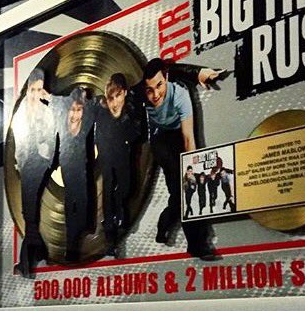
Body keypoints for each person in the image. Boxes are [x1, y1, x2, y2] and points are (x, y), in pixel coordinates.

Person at [144, 58, 219, 260]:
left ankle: (188, 238)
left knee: (188, 187)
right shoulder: (139, 93)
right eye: (149, 90)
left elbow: (188, 137)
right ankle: (186, 236)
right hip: (159, 140)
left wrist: (191, 168)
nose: (155, 94)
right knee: (179, 190)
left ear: (166, 78)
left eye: (159, 86)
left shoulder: (180, 95)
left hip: (179, 135)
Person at [94, 73, 143, 256]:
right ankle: (110, 235)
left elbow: (136, 133)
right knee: (108, 189)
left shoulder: (131, 109)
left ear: (125, 93)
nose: (114, 101)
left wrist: (124, 119)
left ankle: (118, 211)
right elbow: (99, 133)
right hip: (107, 156)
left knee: (126, 187)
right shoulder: (102, 109)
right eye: (111, 97)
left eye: (118, 96)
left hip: (123, 155)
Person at [14, 68, 57, 277]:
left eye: (40, 90)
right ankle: (40, 253)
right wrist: (20, 163)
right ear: (28, 89)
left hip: (39, 162)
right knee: (29, 213)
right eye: (33, 90)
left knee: (29, 212)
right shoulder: (21, 112)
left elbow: (52, 136)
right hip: (25, 163)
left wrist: (46, 158)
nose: (35, 94)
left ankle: (26, 263)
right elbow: (18, 140)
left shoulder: (46, 111)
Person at [58, 87, 94, 262]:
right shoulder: (61, 123)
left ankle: (78, 233)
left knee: (81, 202)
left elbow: (93, 108)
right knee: (71, 202)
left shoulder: (86, 122)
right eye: (72, 109)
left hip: (82, 168)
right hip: (68, 167)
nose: (75, 114)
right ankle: (71, 245)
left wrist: (85, 97)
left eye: (79, 109)